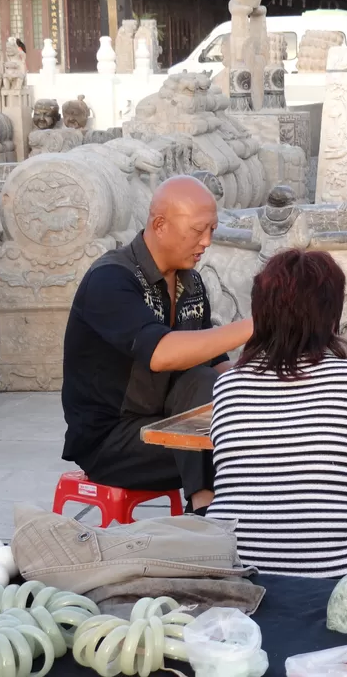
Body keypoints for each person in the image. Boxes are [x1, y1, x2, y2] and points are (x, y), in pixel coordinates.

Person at [61, 175, 254, 514]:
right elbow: (160, 353)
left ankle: (211, 508)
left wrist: (264, 389)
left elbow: (214, 360)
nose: (207, 241)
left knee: (226, 399)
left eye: (212, 229)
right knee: (238, 443)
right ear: (160, 224)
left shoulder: (190, 283)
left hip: (171, 421)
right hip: (112, 440)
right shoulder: (110, 278)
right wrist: (257, 325)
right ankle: (206, 510)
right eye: (198, 230)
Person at [207, 249, 347, 579]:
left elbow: (234, 476)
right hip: (333, 583)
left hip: (237, 579)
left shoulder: (228, 385)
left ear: (261, 312)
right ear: (332, 314)